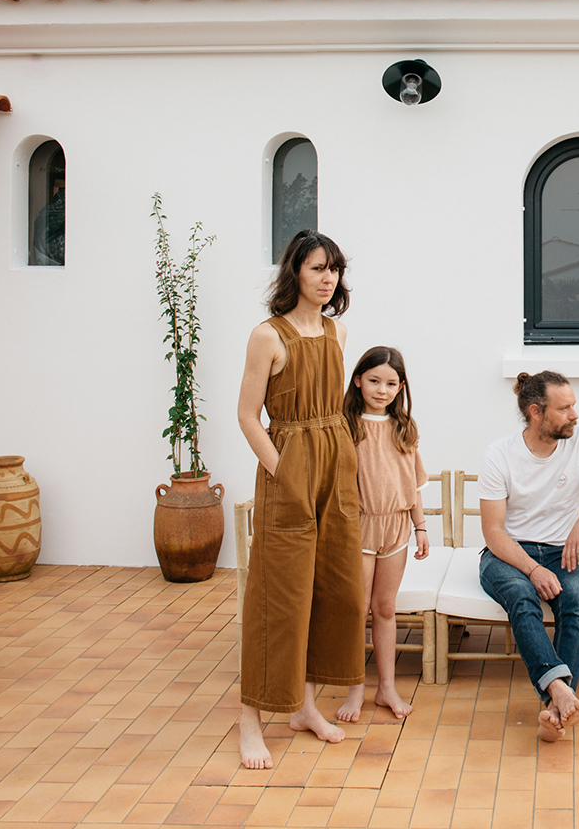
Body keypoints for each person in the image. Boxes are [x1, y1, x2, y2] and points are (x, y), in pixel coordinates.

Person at [235, 231, 365, 769]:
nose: (327, 277)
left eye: (333, 268)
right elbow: (247, 415)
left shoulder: (333, 329)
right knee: (279, 597)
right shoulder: (267, 335)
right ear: (295, 273)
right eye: (317, 268)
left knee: (336, 590)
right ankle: (250, 721)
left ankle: (305, 706)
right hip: (290, 471)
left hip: (335, 466)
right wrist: (283, 470)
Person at [479, 371, 579, 742]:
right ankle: (560, 695)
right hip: (508, 554)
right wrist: (533, 569)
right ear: (537, 412)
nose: (575, 415)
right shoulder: (499, 454)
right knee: (522, 598)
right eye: (564, 408)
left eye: (574, 405)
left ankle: (556, 705)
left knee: (575, 606)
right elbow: (493, 533)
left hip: (561, 552)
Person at [336, 346, 429, 723]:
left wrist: (420, 527)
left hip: (397, 527)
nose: (382, 390)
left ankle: (386, 687)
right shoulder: (347, 425)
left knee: (385, 608)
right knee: (357, 610)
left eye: (391, 383)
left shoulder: (404, 428)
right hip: (358, 525)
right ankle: (354, 688)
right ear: (358, 380)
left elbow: (413, 485)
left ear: (400, 387)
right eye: (374, 381)